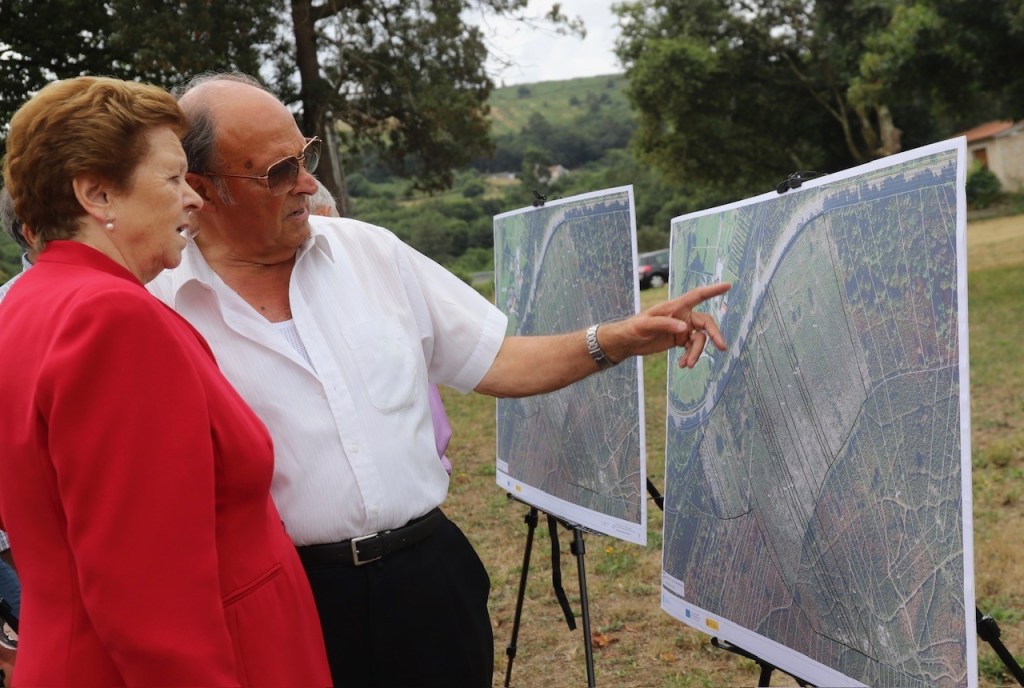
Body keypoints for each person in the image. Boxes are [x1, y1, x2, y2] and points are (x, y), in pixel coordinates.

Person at [150, 71, 729, 688]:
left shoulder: (371, 254)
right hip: (282, 602)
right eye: (278, 173)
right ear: (201, 189)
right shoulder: (156, 305)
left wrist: (615, 339)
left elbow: (498, 359)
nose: (309, 184)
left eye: (307, 156)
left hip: (427, 585)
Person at [0, 76, 331, 687]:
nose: (194, 200)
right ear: (99, 195)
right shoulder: (112, 320)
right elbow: (147, 591)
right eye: (173, 178)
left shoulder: (24, 308)